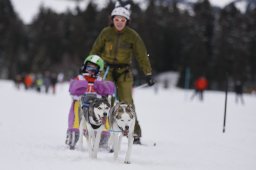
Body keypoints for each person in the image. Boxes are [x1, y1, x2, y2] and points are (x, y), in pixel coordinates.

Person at [89, 2, 155, 144]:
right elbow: (95, 50)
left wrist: (148, 73)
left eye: (122, 20)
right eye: (117, 19)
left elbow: (142, 54)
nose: (119, 22)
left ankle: (134, 133)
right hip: (107, 69)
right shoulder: (106, 32)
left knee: (127, 102)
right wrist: (90, 66)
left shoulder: (132, 36)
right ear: (112, 20)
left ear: (127, 21)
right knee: (107, 101)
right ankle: (105, 131)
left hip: (124, 71)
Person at [65, 54, 115, 150]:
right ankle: (73, 134)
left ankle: (103, 136)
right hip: (81, 107)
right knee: (76, 108)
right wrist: (82, 86)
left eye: (93, 69)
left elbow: (110, 88)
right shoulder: (80, 79)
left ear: (98, 70)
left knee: (104, 111)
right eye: (88, 67)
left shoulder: (99, 80)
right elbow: (72, 88)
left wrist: (100, 87)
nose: (90, 71)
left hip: (95, 110)